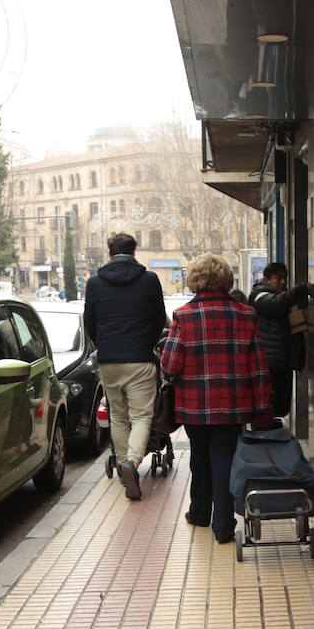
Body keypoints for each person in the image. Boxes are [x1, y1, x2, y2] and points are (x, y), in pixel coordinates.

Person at [160, 255, 272, 543]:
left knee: (199, 456)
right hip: (234, 405)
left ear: (195, 280)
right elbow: (259, 368)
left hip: (194, 405)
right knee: (224, 457)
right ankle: (223, 524)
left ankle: (199, 512)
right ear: (226, 280)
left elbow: (170, 365)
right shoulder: (247, 315)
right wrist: (262, 407)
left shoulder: (183, 317)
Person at [84, 231, 167, 500]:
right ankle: (132, 461)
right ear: (134, 252)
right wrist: (147, 343)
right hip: (140, 359)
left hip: (109, 361)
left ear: (109, 253)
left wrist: (105, 346)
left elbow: (90, 322)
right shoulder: (150, 280)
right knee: (142, 416)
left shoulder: (95, 283)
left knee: (118, 417)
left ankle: (123, 466)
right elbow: (158, 319)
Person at [249, 262, 314, 418]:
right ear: (266, 279)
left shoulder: (281, 297)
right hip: (270, 366)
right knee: (270, 409)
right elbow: (277, 304)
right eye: (278, 278)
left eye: (285, 278)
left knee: (282, 408)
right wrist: (301, 289)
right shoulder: (259, 296)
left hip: (283, 364)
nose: (283, 282)